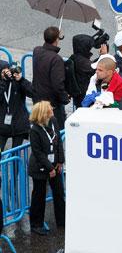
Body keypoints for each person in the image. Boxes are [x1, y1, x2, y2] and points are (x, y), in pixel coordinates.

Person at [28, 101, 65, 236]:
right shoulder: (34, 129)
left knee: (59, 193)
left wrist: (60, 161)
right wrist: (50, 168)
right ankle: (36, 224)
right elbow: (38, 152)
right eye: (50, 110)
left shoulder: (53, 121)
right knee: (39, 195)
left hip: (54, 164)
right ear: (43, 113)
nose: (52, 111)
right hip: (39, 168)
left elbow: (58, 141)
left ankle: (62, 220)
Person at [32, 27, 69, 129]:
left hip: (37, 100)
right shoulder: (56, 59)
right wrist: (65, 98)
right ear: (57, 40)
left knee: (39, 129)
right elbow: (58, 84)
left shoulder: (37, 51)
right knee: (56, 132)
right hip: (51, 104)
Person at [0, 62, 33, 150]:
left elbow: (33, 93)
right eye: (3, 73)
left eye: (7, 72)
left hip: (19, 125)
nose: (6, 75)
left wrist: (21, 79)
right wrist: (3, 83)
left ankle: (15, 164)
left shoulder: (18, 82)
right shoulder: (2, 83)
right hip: (2, 126)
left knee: (16, 154)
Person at [69, 34, 104, 108]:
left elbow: (92, 65)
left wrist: (101, 57)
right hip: (85, 97)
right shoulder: (82, 62)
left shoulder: (75, 57)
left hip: (79, 95)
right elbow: (97, 69)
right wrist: (104, 56)